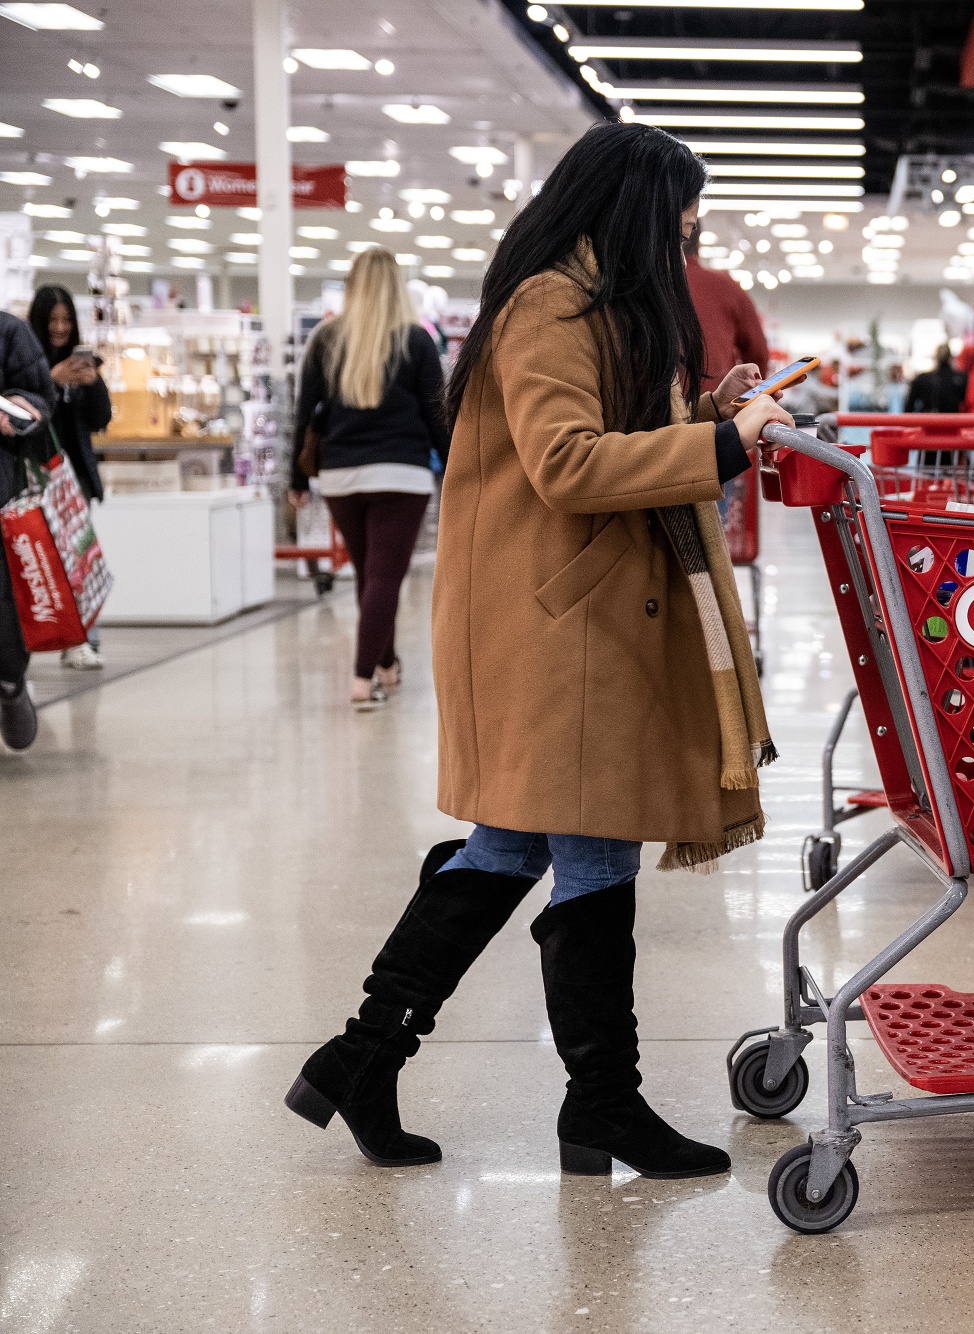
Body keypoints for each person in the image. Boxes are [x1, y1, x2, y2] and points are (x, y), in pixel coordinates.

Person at [286, 123, 790, 1182]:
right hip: (563, 622)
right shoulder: (551, 305)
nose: (688, 233)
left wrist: (709, 413)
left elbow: (603, 434)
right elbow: (566, 464)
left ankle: (361, 1057)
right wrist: (723, 444)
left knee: (508, 849)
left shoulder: (585, 300)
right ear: (633, 204)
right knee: (594, 853)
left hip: (571, 612)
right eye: (681, 213)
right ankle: (600, 1104)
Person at [287, 248, 450, 711]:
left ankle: (388, 663)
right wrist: (458, 466)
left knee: (370, 577)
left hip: (340, 475)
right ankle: (362, 680)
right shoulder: (416, 342)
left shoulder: (326, 339)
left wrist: (296, 478)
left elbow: (305, 415)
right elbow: (435, 417)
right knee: (383, 578)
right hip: (401, 472)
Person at [28, 285, 112, 670]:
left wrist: (92, 384)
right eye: (53, 321)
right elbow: (22, 411)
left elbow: (101, 421)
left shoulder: (84, 365)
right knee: (37, 564)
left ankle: (83, 639)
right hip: (35, 479)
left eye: (66, 320)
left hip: (75, 480)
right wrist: (51, 378)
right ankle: (28, 646)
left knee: (82, 560)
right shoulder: (28, 363)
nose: (60, 328)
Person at [0, 310, 53, 752]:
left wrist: (18, 411)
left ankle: (10, 683)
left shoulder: (8, 332)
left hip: (1, 497)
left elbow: (39, 395)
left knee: (4, 608)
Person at [683, 232, 769, 393]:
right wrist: (755, 396)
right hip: (717, 405)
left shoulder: (642, 286)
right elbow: (758, 353)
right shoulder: (726, 286)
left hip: (655, 410)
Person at [906, 343, 965, 415]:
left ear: (935, 357)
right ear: (951, 357)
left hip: (929, 422)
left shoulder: (922, 379)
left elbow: (908, 407)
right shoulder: (961, 379)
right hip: (953, 423)